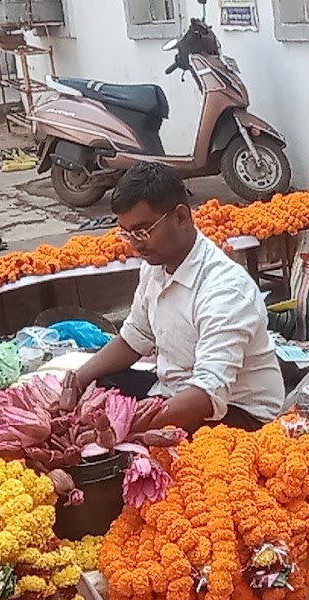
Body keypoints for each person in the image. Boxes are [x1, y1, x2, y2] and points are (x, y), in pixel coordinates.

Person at [60, 162, 285, 432]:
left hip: (234, 412)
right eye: (127, 233)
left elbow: (207, 393)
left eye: (143, 231)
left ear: (181, 217)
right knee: (99, 382)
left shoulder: (225, 290)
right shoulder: (154, 267)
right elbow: (134, 338)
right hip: (173, 390)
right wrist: (77, 379)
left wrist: (124, 427)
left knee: (130, 446)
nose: (135, 243)